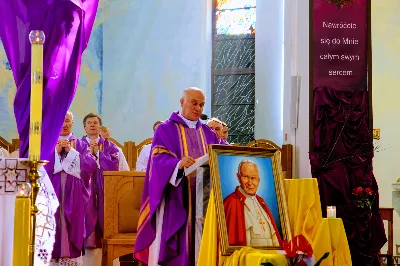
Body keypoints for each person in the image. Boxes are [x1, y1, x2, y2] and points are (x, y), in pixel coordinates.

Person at [134, 87, 219, 266]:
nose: (198, 108)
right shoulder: (166, 129)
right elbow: (158, 159)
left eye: (202, 105)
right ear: (182, 102)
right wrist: (177, 164)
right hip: (177, 198)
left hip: (204, 200)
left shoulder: (209, 133)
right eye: (194, 103)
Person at [45, 111, 97, 265]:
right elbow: (41, 167)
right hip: (53, 191)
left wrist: (71, 152)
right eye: (61, 121)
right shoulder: (49, 142)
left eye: (67, 121)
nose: (64, 124)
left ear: (72, 123)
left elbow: (90, 165)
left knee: (71, 225)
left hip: (73, 194)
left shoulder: (80, 145)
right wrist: (56, 152)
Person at [81, 113, 119, 265]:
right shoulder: (77, 145)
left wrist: (98, 154)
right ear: (84, 127)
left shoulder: (109, 146)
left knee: (105, 226)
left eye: (95, 123)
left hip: (104, 192)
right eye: (89, 123)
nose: (92, 125)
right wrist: (89, 155)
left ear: (99, 126)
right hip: (85, 192)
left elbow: (114, 165)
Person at [223, 159, 282, 247]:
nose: (250, 183)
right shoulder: (231, 202)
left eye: (253, 178)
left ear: (259, 181)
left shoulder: (261, 202)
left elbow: (274, 235)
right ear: (238, 177)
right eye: (246, 177)